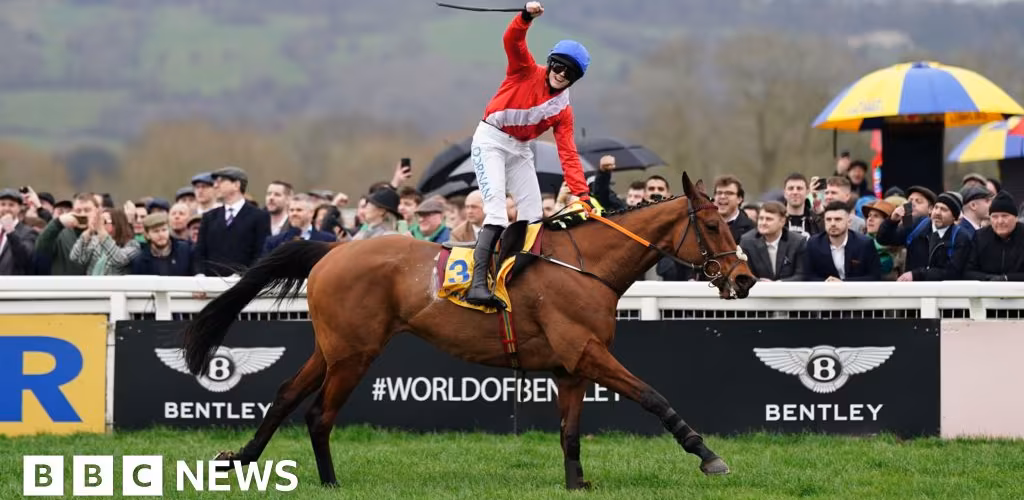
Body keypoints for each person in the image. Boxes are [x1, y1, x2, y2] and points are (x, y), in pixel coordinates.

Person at [465, 1, 594, 307]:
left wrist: (583, 196)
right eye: (558, 66)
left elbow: (568, 154)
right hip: (490, 140)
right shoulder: (524, 70)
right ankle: (477, 285)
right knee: (497, 213)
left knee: (533, 216)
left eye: (569, 73)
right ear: (550, 63)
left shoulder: (563, 111)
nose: (561, 74)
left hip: (520, 149)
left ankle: (511, 276)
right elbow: (512, 40)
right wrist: (525, 17)